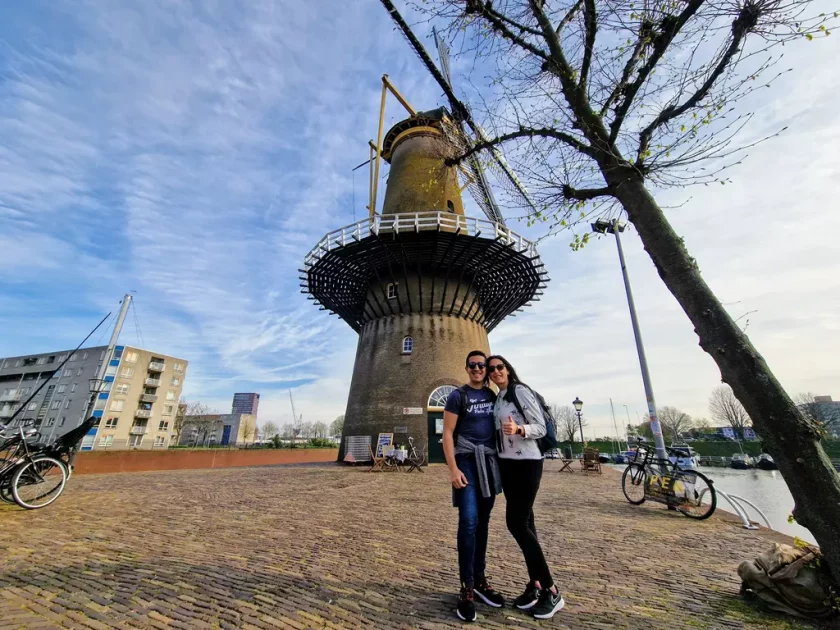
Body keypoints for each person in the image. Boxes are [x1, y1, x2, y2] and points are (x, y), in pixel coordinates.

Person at [487, 354, 565, 620]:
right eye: (491, 369)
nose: (496, 372)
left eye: (500, 367)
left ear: (508, 369)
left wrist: (520, 430)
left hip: (527, 464)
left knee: (516, 523)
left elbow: (541, 428)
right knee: (527, 523)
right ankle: (536, 585)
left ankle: (552, 590)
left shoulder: (520, 391)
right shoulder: (499, 398)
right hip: (507, 464)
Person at [443, 350, 505, 622]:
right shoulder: (458, 396)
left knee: (483, 523)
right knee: (468, 521)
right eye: (474, 365)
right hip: (466, 461)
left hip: (488, 464)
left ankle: (480, 580)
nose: (478, 369)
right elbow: (446, 433)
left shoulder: (492, 396)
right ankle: (466, 586)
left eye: (482, 365)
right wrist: (453, 469)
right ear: (467, 368)